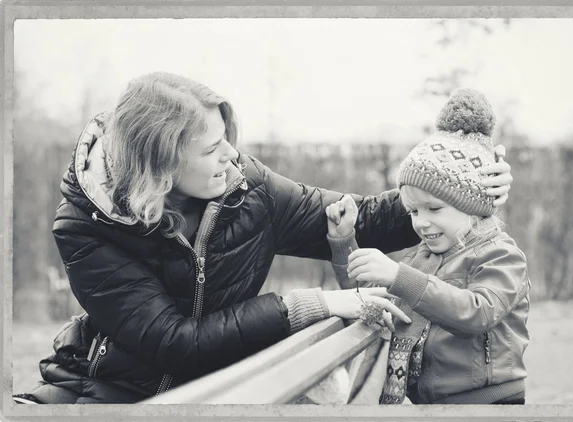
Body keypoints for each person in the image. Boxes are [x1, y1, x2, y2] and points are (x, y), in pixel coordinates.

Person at [13, 73, 513, 404]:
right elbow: (175, 342)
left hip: (220, 388)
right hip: (104, 392)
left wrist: (463, 187)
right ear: (161, 165)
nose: (232, 153)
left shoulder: (250, 190)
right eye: (212, 148)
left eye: (227, 135)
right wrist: (313, 303)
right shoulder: (85, 228)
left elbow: (361, 218)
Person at [324, 89, 530, 405]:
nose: (421, 223)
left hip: (486, 402)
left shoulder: (501, 254)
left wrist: (399, 276)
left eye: (434, 209)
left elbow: (476, 313)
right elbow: (371, 300)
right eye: (414, 212)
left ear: (472, 204)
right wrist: (343, 243)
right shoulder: (424, 256)